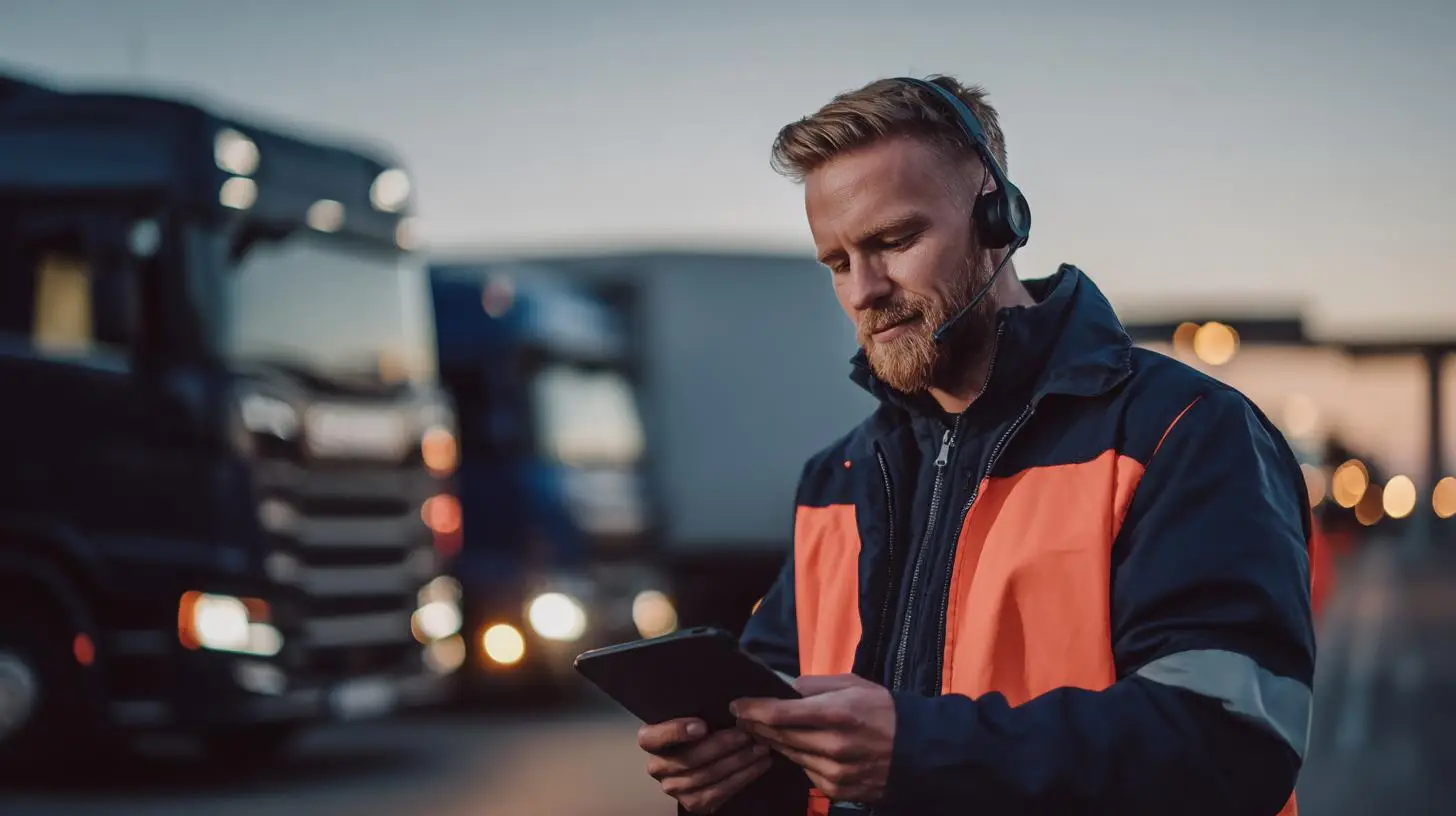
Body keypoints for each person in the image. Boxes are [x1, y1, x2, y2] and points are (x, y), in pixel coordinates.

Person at [637, 74, 1316, 816]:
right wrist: (724, 776)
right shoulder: (837, 478)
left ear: (999, 218)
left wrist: (919, 753)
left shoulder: (1181, 432)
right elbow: (783, 732)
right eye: (837, 262)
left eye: (894, 241)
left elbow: (1233, 742)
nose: (863, 290)